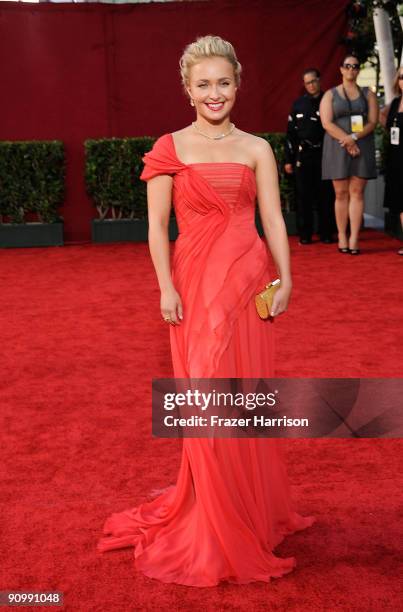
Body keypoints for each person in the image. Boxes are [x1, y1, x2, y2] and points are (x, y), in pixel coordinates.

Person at [97, 35, 315, 587]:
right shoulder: (170, 147)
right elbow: (155, 227)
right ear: (187, 89)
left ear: (237, 84)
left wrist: (287, 278)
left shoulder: (258, 149)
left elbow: (272, 218)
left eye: (223, 83)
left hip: (247, 285)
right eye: (203, 85)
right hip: (194, 289)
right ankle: (213, 518)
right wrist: (165, 287)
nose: (214, 93)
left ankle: (245, 510)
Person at [320, 54, 378, 255]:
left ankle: (354, 238)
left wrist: (353, 138)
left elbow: (372, 121)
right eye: (347, 66)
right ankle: (342, 236)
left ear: (358, 70)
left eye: (355, 66)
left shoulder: (367, 94)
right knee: (340, 193)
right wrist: (346, 140)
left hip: (362, 144)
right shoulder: (330, 94)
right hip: (338, 146)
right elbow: (326, 123)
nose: (351, 69)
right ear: (341, 69)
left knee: (357, 192)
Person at [284, 68, 335, 244]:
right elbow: (290, 134)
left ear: (319, 80)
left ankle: (326, 233)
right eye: (307, 83)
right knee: (303, 197)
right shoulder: (298, 104)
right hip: (303, 156)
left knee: (325, 196)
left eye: (313, 81)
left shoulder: (329, 101)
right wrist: (288, 160)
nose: (311, 85)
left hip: (325, 155)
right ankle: (304, 235)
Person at [379, 67, 403, 255]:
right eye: (402, 77)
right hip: (396, 157)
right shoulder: (395, 103)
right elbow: (382, 117)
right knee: (400, 202)